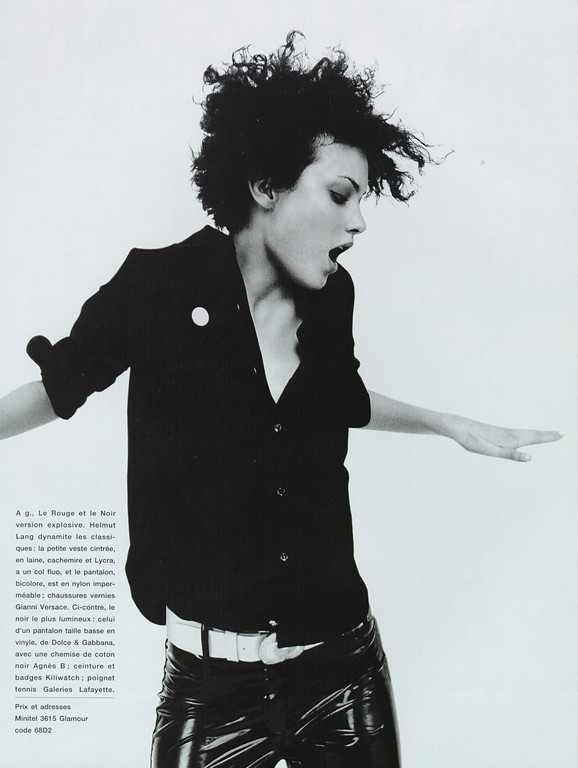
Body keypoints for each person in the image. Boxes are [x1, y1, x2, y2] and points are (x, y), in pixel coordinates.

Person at [0, 32, 561, 768]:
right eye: (340, 195)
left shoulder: (332, 297)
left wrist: (446, 424)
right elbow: (58, 388)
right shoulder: (157, 288)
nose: (358, 223)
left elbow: (337, 400)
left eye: (362, 201)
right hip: (209, 691)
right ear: (266, 185)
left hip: (342, 673)